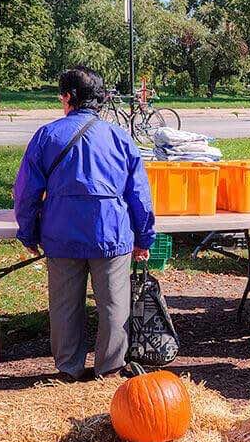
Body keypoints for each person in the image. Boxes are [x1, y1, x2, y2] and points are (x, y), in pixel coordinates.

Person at [13, 67, 155, 381]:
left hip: (61, 234)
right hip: (111, 233)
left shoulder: (47, 135)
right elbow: (139, 194)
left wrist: (27, 231)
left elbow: (26, 191)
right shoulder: (119, 137)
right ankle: (110, 368)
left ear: (68, 97)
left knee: (64, 307)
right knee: (114, 306)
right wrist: (144, 237)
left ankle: (68, 369)